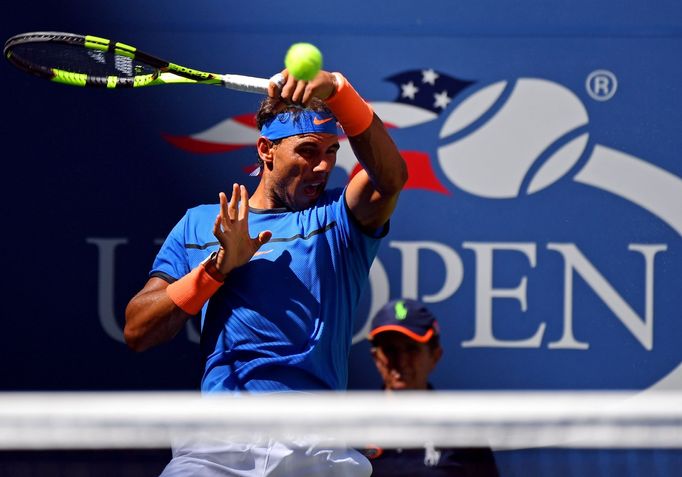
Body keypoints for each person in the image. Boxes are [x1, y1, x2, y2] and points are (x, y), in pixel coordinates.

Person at [123, 66, 406, 477]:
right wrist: (218, 269)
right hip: (219, 446)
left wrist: (340, 90)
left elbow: (391, 178)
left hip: (317, 447)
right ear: (266, 149)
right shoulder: (200, 224)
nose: (324, 166)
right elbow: (138, 330)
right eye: (308, 151)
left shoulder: (339, 218)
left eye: (331, 152)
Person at [364, 298, 500, 476]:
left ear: (435, 356)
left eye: (411, 349)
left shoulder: (465, 433)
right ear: (376, 358)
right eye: (390, 350)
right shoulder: (350, 428)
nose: (401, 361)